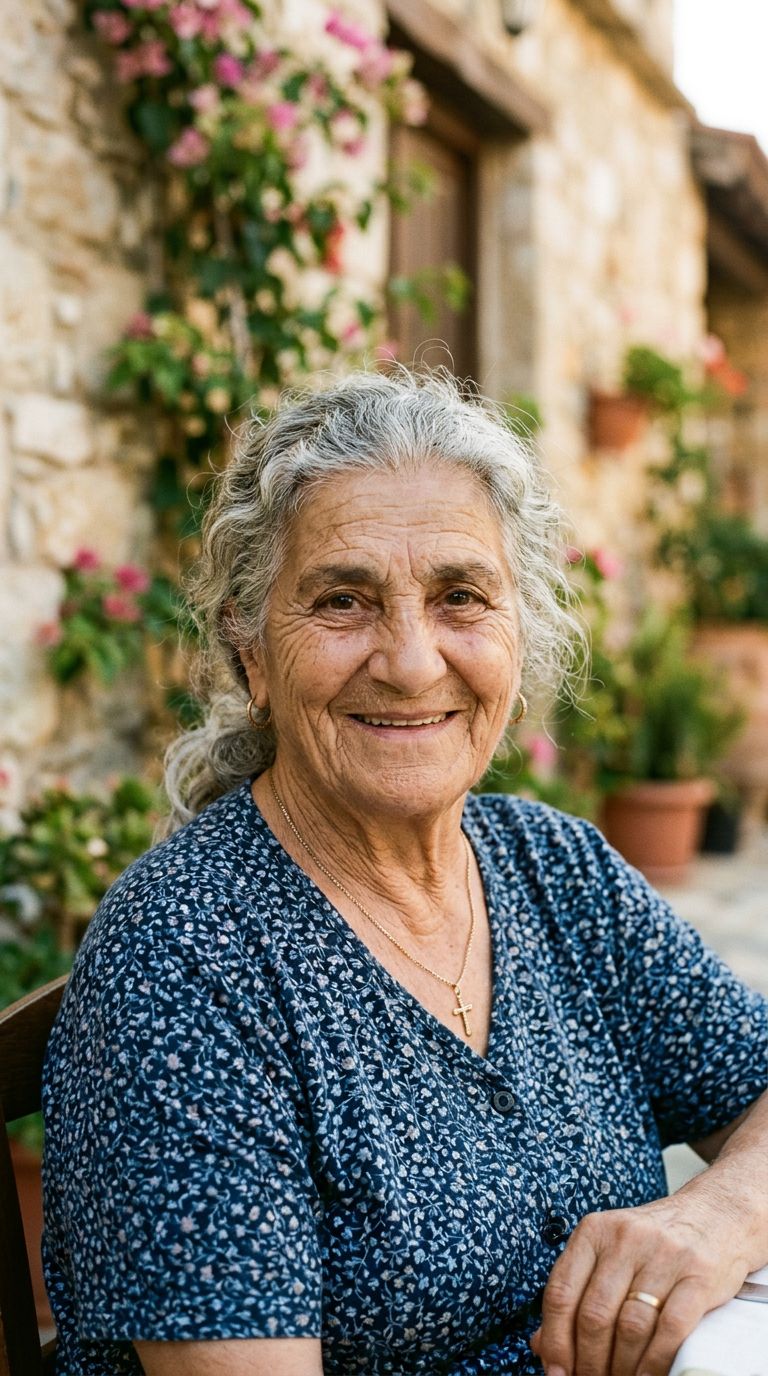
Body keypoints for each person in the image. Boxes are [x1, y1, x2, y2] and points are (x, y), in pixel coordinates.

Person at [43, 369, 768, 1376]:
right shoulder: (187, 961)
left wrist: (721, 1208)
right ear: (252, 653)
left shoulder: (552, 868)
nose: (413, 660)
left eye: (460, 595)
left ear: (521, 632)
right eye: (344, 600)